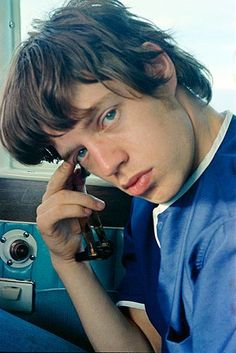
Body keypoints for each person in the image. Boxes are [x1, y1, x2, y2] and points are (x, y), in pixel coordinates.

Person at [0, 0, 235, 352]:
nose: (108, 165)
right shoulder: (153, 192)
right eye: (80, 152)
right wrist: (67, 260)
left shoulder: (226, 228)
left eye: (108, 116)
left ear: (156, 67)